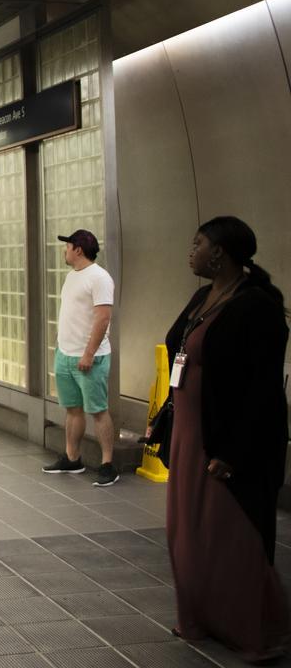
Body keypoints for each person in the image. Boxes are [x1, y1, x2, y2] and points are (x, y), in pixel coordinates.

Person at [160, 216, 289, 661]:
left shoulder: (258, 306)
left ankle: (256, 631)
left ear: (219, 252)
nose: (190, 251)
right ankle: (200, 617)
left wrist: (234, 451)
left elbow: (263, 391)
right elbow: (181, 352)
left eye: (197, 243)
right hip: (189, 433)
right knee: (186, 534)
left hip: (226, 440)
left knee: (230, 536)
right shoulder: (203, 297)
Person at [41, 230, 118, 487]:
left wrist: (88, 353)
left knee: (98, 410)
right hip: (65, 355)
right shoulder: (72, 277)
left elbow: (103, 318)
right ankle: (72, 457)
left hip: (90, 359)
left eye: (68, 246)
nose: (65, 250)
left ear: (79, 250)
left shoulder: (99, 278)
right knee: (73, 409)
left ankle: (108, 464)